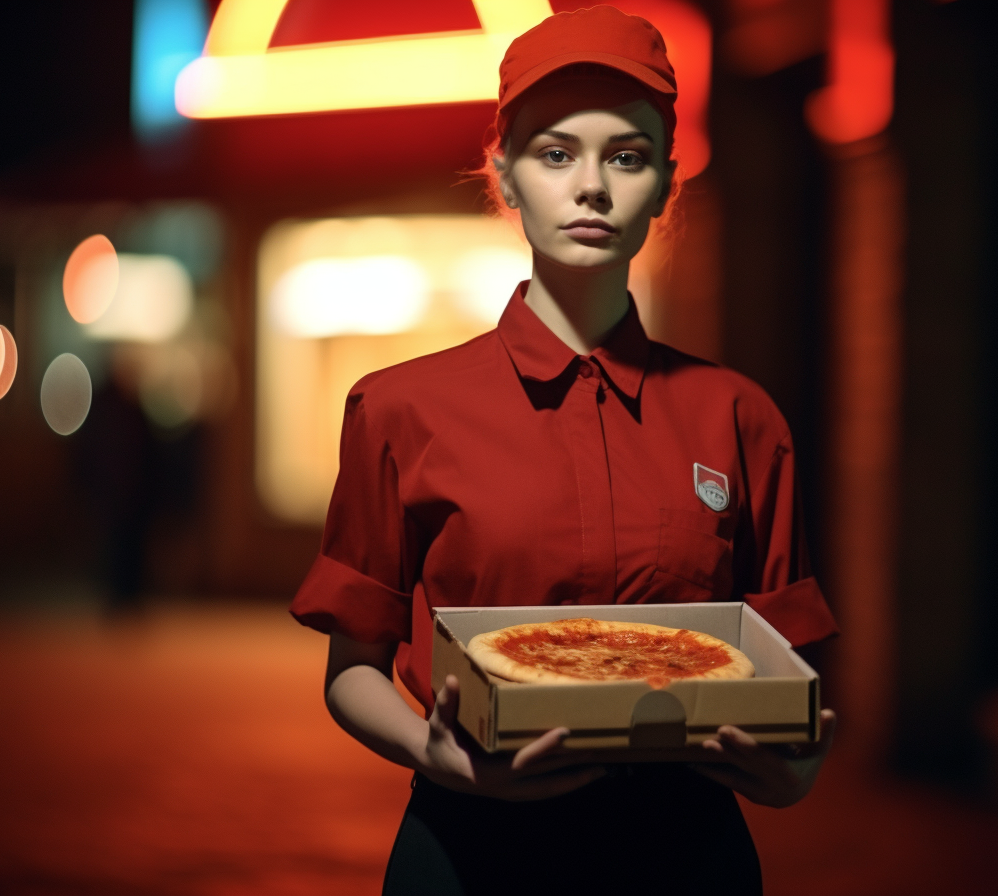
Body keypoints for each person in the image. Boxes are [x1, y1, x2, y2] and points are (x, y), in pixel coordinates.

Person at [290, 8, 839, 894]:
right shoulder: (400, 408)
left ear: (667, 180)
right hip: (470, 850)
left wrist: (793, 770)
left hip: (683, 854)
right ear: (503, 174)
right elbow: (352, 669)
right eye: (555, 154)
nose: (592, 186)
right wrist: (443, 759)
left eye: (627, 156)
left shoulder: (740, 419)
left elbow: (794, 686)